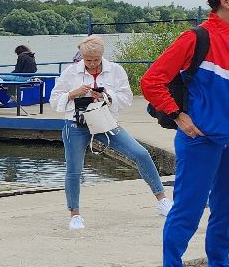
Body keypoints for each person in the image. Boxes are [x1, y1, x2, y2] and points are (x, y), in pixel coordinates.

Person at [142, 0, 229, 267]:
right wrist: (178, 115)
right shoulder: (196, 38)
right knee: (188, 208)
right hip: (201, 136)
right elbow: (152, 80)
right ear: (226, 1)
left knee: (227, 208)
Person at [49, 34, 168, 231]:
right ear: (81, 56)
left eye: (96, 60)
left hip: (105, 122)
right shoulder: (70, 72)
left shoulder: (116, 70)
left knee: (140, 153)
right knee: (74, 170)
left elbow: (126, 98)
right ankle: (75, 215)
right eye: (88, 60)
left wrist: (106, 95)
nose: (92, 64)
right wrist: (73, 94)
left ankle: (162, 200)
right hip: (76, 125)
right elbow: (54, 100)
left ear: (102, 55)